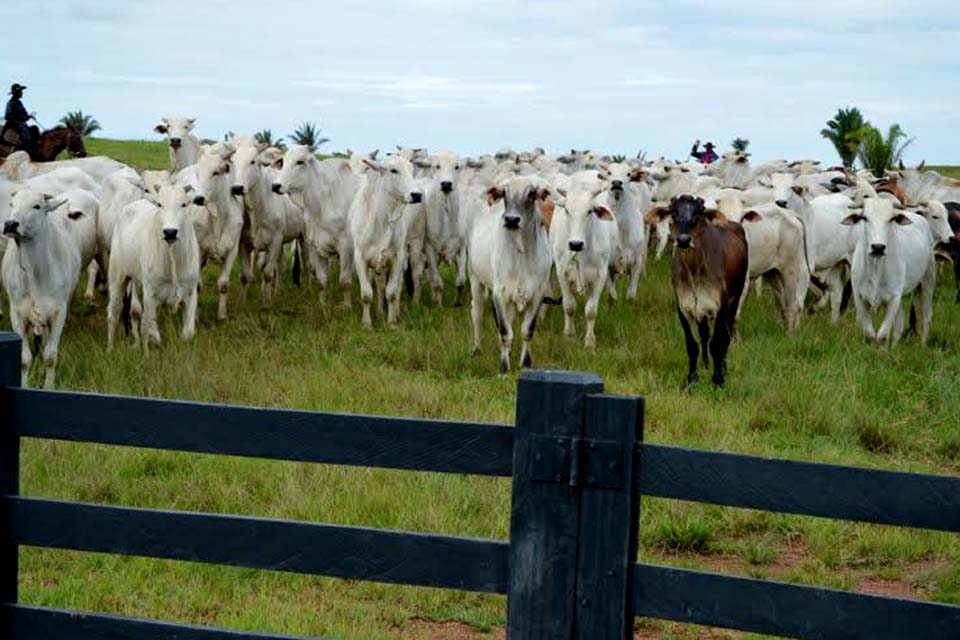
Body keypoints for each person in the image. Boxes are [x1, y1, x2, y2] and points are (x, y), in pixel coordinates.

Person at [4, 83, 35, 150]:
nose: (22, 93)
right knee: (27, 136)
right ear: (16, 93)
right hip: (14, 125)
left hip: (21, 124)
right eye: (20, 91)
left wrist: (29, 116)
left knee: (34, 129)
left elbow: (24, 116)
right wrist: (19, 123)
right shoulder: (11, 103)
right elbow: (8, 116)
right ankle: (25, 152)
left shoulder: (19, 102)